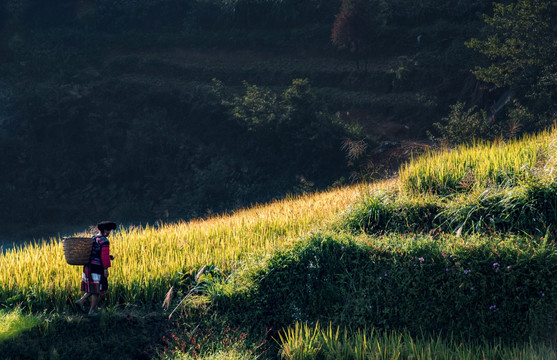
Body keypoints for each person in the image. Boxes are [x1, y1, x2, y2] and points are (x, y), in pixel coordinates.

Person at [75, 221, 116, 315]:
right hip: (97, 268)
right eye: (109, 230)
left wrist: (109, 256)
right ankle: (91, 312)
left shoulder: (93, 238)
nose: (110, 232)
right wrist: (106, 268)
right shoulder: (104, 241)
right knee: (97, 290)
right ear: (105, 230)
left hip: (88, 266)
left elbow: (95, 253)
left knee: (93, 287)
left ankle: (81, 301)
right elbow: (103, 256)